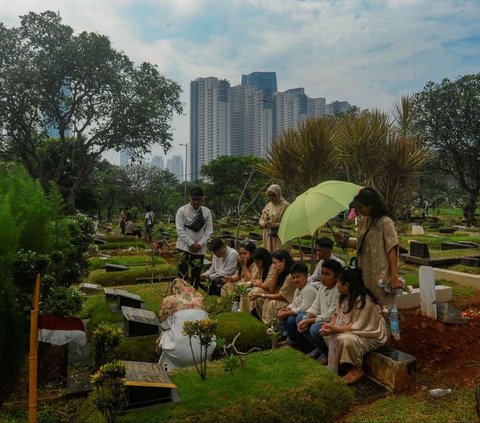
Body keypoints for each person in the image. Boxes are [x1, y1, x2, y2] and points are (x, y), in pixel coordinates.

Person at [335, 187, 401, 306]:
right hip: (365, 272)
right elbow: (361, 244)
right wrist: (344, 241)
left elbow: (392, 248)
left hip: (381, 272)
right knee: (368, 306)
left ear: (370, 206)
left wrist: (394, 274)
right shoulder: (364, 221)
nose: (359, 210)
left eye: (361, 207)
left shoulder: (385, 222)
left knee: (384, 306)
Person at [321, 267, 388, 385]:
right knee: (327, 333)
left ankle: (357, 368)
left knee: (345, 339)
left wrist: (335, 329)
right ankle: (341, 364)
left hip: (369, 334)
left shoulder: (364, 301)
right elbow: (337, 315)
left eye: (338, 282)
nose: (336, 284)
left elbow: (359, 326)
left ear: (346, 285)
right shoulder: (342, 297)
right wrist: (330, 325)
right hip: (353, 330)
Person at [285, 259, 342, 361]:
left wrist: (309, 320)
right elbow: (315, 306)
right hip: (321, 319)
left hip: (332, 322)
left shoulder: (337, 291)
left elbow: (330, 316)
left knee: (315, 329)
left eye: (327, 274)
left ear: (336, 277)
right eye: (322, 273)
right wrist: (306, 318)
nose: (323, 277)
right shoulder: (322, 288)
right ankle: (318, 348)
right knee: (300, 319)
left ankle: (326, 353)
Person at [175, 187, 213, 290]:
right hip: (183, 247)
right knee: (182, 274)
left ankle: (194, 298)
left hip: (199, 249)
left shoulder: (206, 212)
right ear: (189, 198)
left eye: (199, 199)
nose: (196, 201)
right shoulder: (181, 211)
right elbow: (180, 229)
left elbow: (209, 230)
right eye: (194, 199)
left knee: (196, 275)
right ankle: (181, 296)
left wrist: (199, 244)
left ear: (202, 199)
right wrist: (191, 243)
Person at [249, 249, 296, 324]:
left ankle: (273, 328)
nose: (273, 266)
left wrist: (262, 295)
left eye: (274, 263)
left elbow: (282, 296)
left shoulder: (290, 276)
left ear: (283, 262)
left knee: (271, 303)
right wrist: (276, 273)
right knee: (262, 299)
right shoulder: (280, 272)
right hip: (282, 299)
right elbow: (272, 290)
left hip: (291, 303)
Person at [277, 262, 317, 346]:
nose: (295, 280)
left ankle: (298, 343)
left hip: (309, 316)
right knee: (284, 313)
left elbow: (304, 309)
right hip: (301, 313)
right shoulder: (298, 289)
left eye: (298, 277)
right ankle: (290, 339)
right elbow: (294, 303)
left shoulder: (308, 290)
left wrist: (287, 313)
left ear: (306, 276)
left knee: (291, 319)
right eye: (293, 277)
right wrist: (287, 308)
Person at [240, 247, 275, 314]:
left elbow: (267, 286)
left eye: (258, 262)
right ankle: (244, 312)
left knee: (255, 291)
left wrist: (259, 283)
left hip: (270, 292)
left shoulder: (272, 267)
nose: (257, 265)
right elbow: (252, 279)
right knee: (244, 287)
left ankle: (253, 313)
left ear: (264, 260)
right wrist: (258, 282)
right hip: (261, 288)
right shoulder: (258, 266)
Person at [259, 184, 289, 252]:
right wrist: (263, 223)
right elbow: (261, 218)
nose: (271, 197)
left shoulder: (285, 205)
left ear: (278, 194)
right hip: (268, 235)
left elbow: (289, 223)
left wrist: (274, 225)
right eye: (269, 195)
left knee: (279, 254)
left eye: (273, 195)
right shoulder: (268, 205)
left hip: (279, 236)